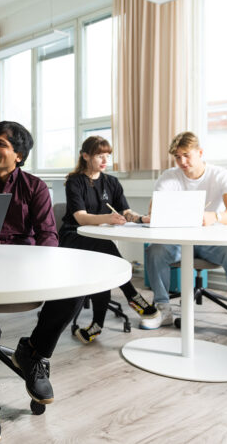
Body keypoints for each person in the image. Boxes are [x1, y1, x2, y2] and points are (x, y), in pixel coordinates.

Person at [0, 120, 84, 433]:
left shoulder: (35, 186)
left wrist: (48, 268)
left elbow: (48, 234)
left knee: (74, 293)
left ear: (19, 155)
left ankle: (35, 352)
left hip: (24, 266)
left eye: (0, 144)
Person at [142, 131, 227, 344]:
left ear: (200, 152)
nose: (182, 161)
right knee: (155, 250)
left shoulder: (222, 176)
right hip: (178, 239)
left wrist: (215, 216)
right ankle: (163, 308)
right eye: (177, 157)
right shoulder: (169, 177)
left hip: (211, 240)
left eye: (187, 155)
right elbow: (156, 212)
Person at [58, 136, 158, 341]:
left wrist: (140, 218)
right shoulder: (74, 181)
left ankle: (96, 326)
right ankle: (132, 295)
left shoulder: (111, 182)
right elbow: (80, 217)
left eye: (107, 156)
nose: (105, 160)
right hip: (73, 235)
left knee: (101, 262)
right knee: (103, 252)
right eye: (99, 156)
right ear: (85, 156)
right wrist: (108, 218)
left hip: (98, 240)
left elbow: (126, 211)